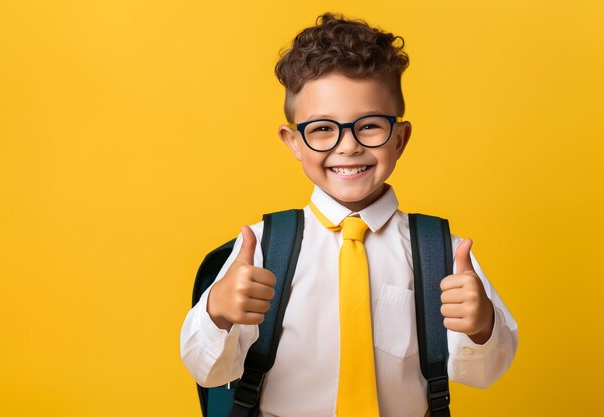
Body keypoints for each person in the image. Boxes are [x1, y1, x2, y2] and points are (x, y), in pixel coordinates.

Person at [180, 12, 518, 417]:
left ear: (400, 137)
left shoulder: (441, 253)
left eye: (370, 126)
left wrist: (481, 326)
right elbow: (208, 370)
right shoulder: (261, 249)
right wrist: (217, 312)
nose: (348, 147)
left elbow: (485, 372)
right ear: (293, 142)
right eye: (322, 129)